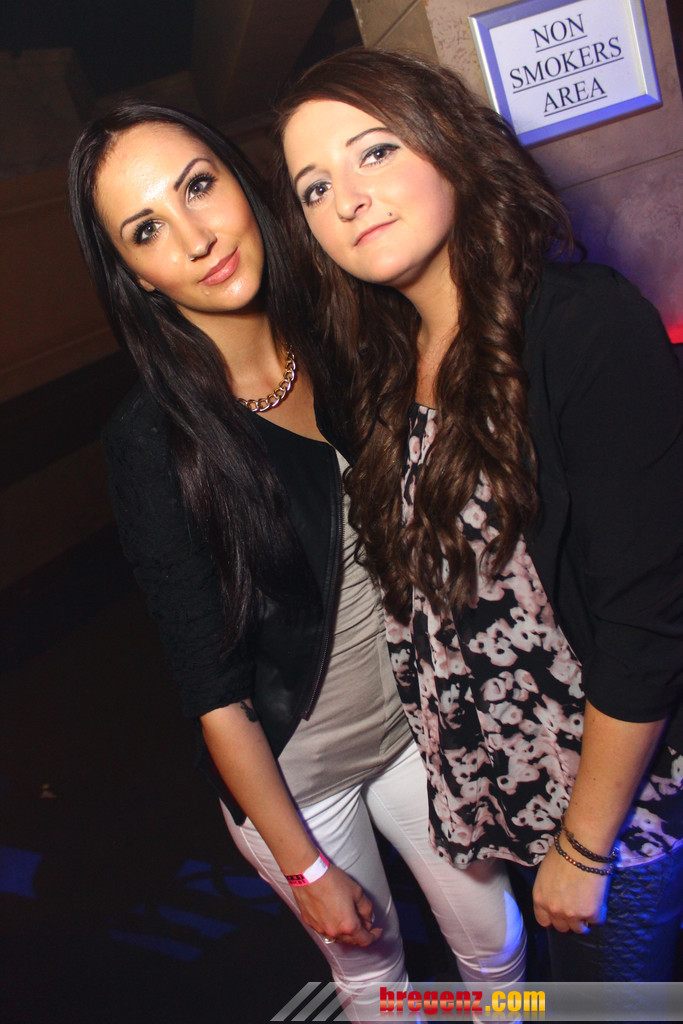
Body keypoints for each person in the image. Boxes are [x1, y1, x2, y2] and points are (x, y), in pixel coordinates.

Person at [67, 100, 527, 1020]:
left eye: (199, 186)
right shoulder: (153, 440)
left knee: (497, 944)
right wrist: (304, 866)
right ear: (135, 277)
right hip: (297, 782)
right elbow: (211, 691)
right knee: (375, 978)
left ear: (243, 183)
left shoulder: (346, 333)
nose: (195, 238)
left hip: (417, 729)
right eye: (147, 230)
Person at [274, 48, 683, 982]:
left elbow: (647, 615)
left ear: (450, 145)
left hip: (612, 810)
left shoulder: (579, 325)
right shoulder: (384, 369)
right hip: (509, 799)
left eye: (374, 151)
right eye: (314, 187)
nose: (347, 199)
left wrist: (585, 847)